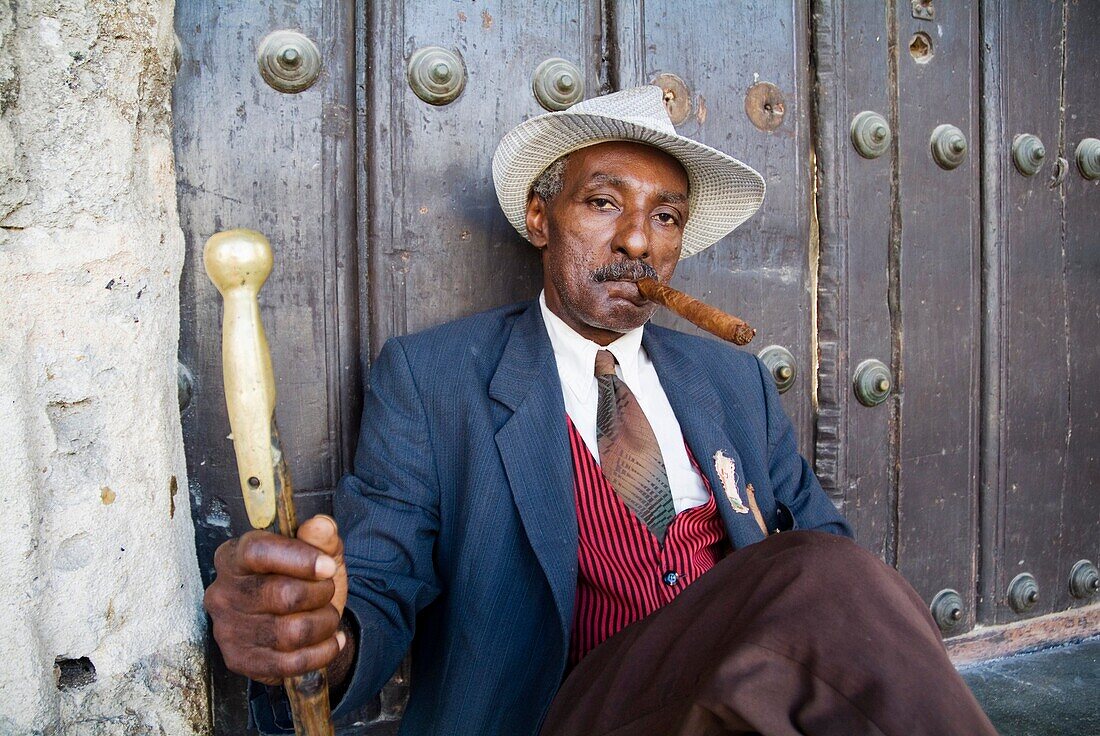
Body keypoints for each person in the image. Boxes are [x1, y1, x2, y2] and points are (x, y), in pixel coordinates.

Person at [204, 86, 997, 735]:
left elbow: (827, 558)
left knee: (828, 580)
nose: (637, 242)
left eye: (665, 217)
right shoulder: (434, 377)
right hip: (568, 717)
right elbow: (375, 583)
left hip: (736, 708)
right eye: (603, 202)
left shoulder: (734, 382)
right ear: (542, 218)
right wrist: (318, 638)